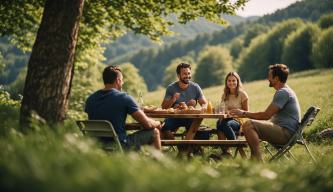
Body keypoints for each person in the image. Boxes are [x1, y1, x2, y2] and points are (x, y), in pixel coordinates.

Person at [230, 64, 301, 161]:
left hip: (286, 134)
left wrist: (243, 113)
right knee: (248, 126)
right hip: (286, 131)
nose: (268, 78)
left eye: (269, 76)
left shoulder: (283, 93)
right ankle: (255, 159)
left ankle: (257, 160)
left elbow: (266, 115)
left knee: (249, 125)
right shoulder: (285, 91)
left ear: (276, 78)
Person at [85, 65, 162, 151]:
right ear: (118, 80)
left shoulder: (90, 99)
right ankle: (156, 164)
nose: (123, 83)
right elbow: (148, 124)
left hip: (96, 146)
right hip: (120, 145)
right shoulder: (124, 98)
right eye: (122, 80)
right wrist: (157, 122)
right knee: (154, 132)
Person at [161, 63, 207, 139]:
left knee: (195, 131)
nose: (187, 76)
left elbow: (204, 103)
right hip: (174, 117)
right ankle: (179, 145)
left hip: (190, 117)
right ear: (178, 76)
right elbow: (163, 107)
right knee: (165, 129)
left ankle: (185, 148)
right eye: (184, 74)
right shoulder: (171, 88)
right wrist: (173, 99)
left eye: (189, 73)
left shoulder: (195, 87)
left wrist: (203, 107)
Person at [216, 72, 249, 156]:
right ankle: (226, 152)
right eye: (229, 81)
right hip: (227, 119)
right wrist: (222, 111)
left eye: (234, 80)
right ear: (226, 82)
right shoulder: (225, 95)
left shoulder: (242, 94)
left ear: (237, 81)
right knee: (219, 123)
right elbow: (222, 108)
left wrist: (235, 113)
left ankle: (236, 145)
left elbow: (246, 112)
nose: (231, 83)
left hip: (239, 120)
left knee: (223, 124)